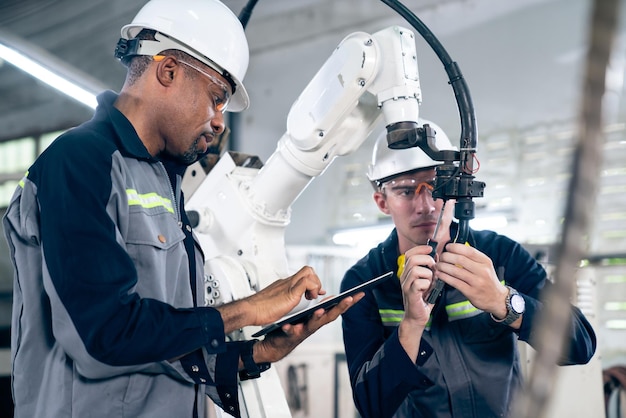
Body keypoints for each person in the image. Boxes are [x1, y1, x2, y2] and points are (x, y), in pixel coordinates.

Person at [1, 1, 362, 417]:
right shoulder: (81, 162)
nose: (219, 121)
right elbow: (107, 332)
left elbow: (168, 350)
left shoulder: (164, 182)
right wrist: (247, 308)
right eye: (216, 98)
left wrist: (260, 351)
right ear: (167, 71)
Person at [340, 120, 597, 418]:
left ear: (457, 188)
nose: (425, 205)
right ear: (382, 201)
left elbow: (581, 344)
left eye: (436, 186)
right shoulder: (364, 281)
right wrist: (410, 324)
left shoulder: (500, 255)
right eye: (405, 191)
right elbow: (372, 405)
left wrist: (503, 301)